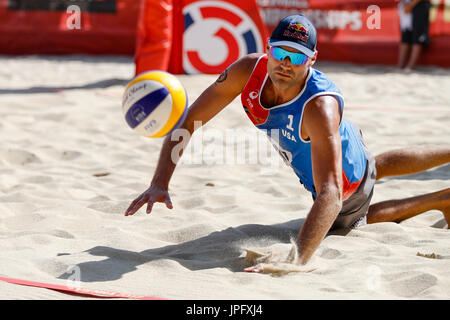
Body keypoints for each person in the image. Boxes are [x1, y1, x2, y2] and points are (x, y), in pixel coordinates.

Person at [125, 14, 450, 270]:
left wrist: (297, 260)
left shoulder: (318, 106)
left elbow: (332, 194)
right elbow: (189, 121)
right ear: (268, 48)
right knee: (373, 165)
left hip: (345, 179)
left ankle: (440, 199)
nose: (286, 63)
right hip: (347, 141)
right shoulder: (247, 71)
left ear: (312, 60)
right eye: (280, 52)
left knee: (341, 222)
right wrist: (159, 182)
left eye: (297, 57)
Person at [397, 0, 431, 70]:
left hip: (419, 4)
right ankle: (400, 64)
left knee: (417, 35)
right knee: (406, 34)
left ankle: (410, 66)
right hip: (407, 3)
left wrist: (411, 5)